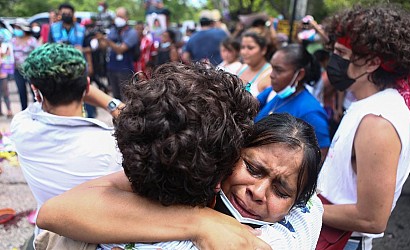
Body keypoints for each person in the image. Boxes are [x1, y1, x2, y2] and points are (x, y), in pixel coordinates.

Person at [36, 66, 324, 250]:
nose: (258, 192)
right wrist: (200, 222)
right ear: (224, 166)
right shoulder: (285, 230)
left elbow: (52, 212)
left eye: (281, 190)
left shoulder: (93, 223)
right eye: (252, 168)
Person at [316, 5, 410, 249]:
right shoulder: (367, 103)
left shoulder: (377, 123)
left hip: (341, 240)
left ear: (371, 63)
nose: (333, 60)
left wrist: (303, 211)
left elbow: (372, 218)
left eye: (340, 52)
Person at [10, 43, 124, 237]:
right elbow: (135, 122)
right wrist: (108, 101)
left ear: (35, 90)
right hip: (100, 238)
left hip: (48, 238)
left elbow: (40, 101)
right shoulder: (110, 147)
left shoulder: (22, 127)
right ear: (87, 86)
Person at [255, 44, 330, 159]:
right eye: (272, 68)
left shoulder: (311, 112)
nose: (271, 75)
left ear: (299, 74)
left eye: (278, 70)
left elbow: (320, 156)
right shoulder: (273, 93)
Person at [97, 6, 139, 100]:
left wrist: (106, 39)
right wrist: (99, 39)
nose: (118, 19)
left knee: (126, 97)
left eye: (120, 16)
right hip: (112, 68)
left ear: (126, 18)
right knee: (116, 97)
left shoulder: (132, 33)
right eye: (117, 16)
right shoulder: (113, 30)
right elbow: (103, 46)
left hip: (125, 70)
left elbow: (120, 49)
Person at [11, 18, 39, 110]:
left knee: (34, 91)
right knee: (21, 91)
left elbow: (38, 54)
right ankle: (24, 110)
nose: (16, 30)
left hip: (30, 70)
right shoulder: (13, 41)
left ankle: (36, 110)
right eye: (15, 28)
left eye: (18, 28)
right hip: (17, 70)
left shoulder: (32, 41)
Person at [237, 30, 272, 97]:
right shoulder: (242, 68)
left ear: (263, 50)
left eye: (250, 48)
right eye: (242, 47)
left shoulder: (269, 74)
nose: (244, 52)